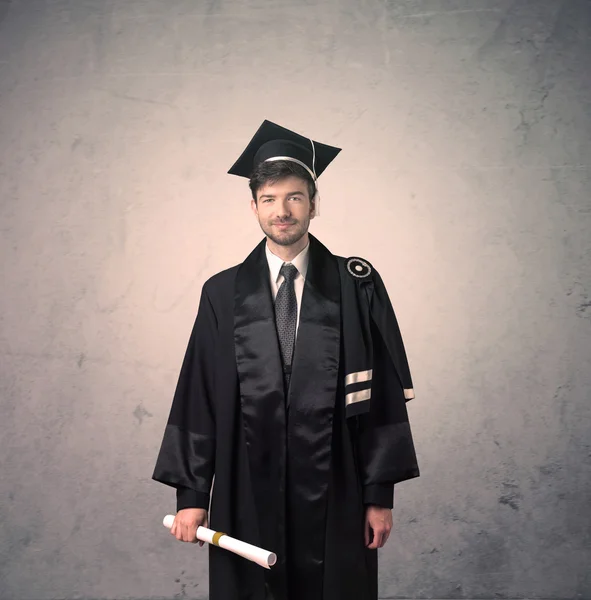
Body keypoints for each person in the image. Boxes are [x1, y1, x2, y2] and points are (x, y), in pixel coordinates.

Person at [152, 120, 420, 600]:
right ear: (253, 205)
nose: (283, 211)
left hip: (338, 484)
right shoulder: (222, 292)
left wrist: (379, 497)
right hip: (245, 484)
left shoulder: (356, 285)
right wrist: (192, 497)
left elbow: (380, 401)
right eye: (270, 199)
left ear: (314, 204)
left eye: (295, 197)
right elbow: (198, 395)